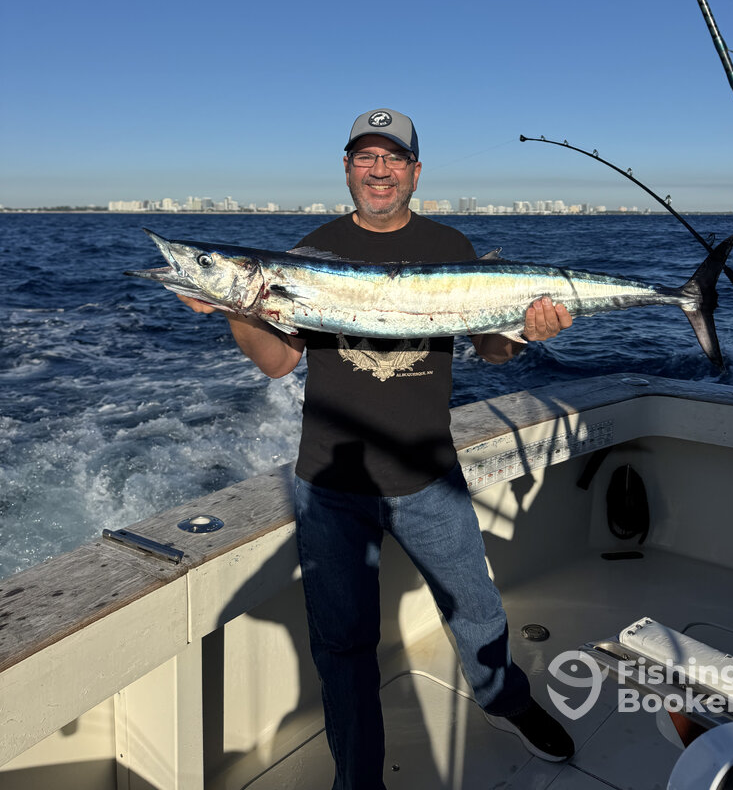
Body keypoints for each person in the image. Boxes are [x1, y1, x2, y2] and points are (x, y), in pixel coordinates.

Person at [178, 108, 575, 788]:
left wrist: (527, 330)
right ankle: (358, 776)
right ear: (347, 169)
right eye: (366, 156)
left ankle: (506, 701)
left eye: (393, 158)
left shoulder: (449, 243)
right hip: (330, 482)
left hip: (429, 472)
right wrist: (240, 308)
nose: (379, 169)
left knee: (476, 607)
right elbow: (277, 363)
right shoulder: (306, 253)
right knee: (344, 644)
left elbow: (491, 349)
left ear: (415, 172)